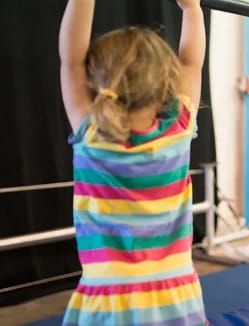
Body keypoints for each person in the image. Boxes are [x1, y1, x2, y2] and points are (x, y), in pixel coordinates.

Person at [58, 0, 207, 324]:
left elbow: (70, 61)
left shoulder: (93, 133)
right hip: (176, 292)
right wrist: (192, 9)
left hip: (111, 292)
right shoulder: (179, 128)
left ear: (97, 80)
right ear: (167, 79)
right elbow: (193, 64)